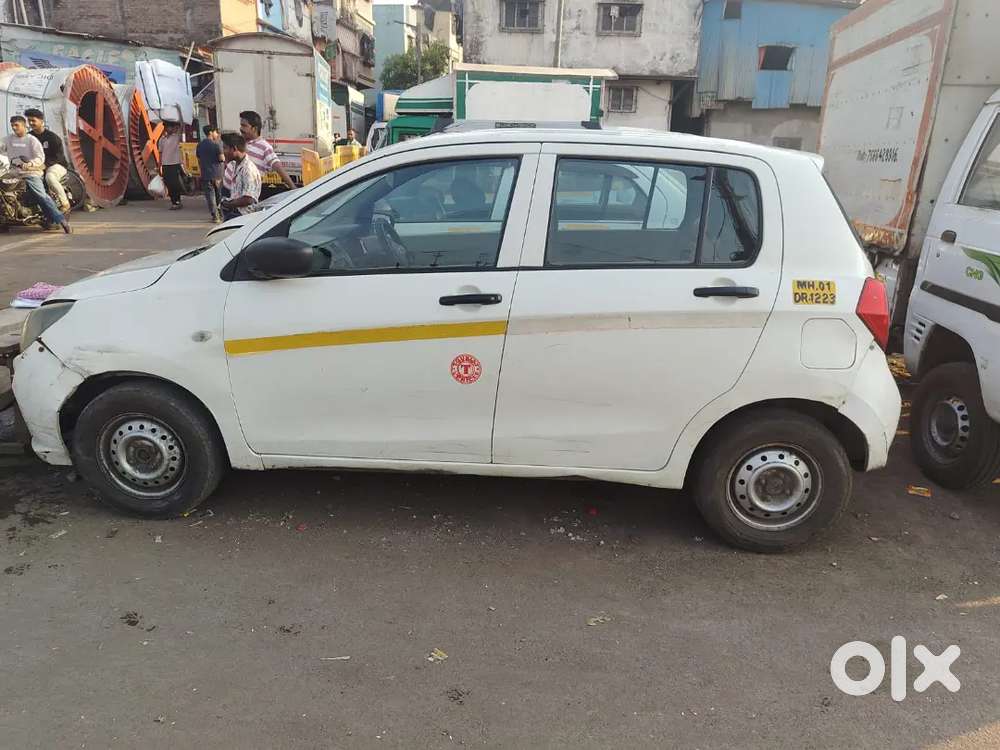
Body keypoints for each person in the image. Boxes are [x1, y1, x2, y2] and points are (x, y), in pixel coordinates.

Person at [1, 115, 70, 233]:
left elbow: (40, 157)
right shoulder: (8, 139)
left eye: (16, 125)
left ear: (24, 126)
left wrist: (30, 164)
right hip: (14, 171)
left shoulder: (31, 140)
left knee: (41, 195)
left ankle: (61, 220)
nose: (14, 127)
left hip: (31, 172)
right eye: (12, 125)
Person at [24, 108, 70, 213]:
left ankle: (65, 203)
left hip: (56, 165)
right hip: (36, 166)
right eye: (29, 120)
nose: (31, 123)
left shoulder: (53, 138)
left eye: (33, 120)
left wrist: (44, 165)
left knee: (50, 177)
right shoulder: (29, 137)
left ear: (41, 121)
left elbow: (58, 157)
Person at [239, 110, 295, 190]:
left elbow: (277, 166)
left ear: (254, 129)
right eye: (241, 125)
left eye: (244, 126)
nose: (241, 129)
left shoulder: (264, 147)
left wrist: (293, 187)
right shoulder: (241, 143)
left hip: (250, 192)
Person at [219, 133, 261, 220]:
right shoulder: (235, 164)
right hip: (235, 213)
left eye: (225, 148)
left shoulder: (248, 169)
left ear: (234, 149)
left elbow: (248, 199)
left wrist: (229, 204)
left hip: (243, 217)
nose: (223, 151)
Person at [196, 124, 224, 222]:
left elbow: (199, 159)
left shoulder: (200, 145)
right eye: (216, 132)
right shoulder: (216, 145)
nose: (217, 134)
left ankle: (215, 216)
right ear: (211, 133)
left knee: (210, 196)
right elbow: (222, 158)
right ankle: (221, 214)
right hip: (217, 174)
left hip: (205, 174)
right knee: (219, 196)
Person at [159, 121, 184, 210]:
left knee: (175, 184)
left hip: (175, 163)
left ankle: (177, 201)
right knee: (168, 184)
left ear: (173, 128)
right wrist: (160, 165)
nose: (167, 129)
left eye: (169, 127)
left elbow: (182, 129)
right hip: (165, 164)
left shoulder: (177, 137)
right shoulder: (162, 139)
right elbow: (160, 153)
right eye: (166, 127)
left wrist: (179, 122)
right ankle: (174, 201)